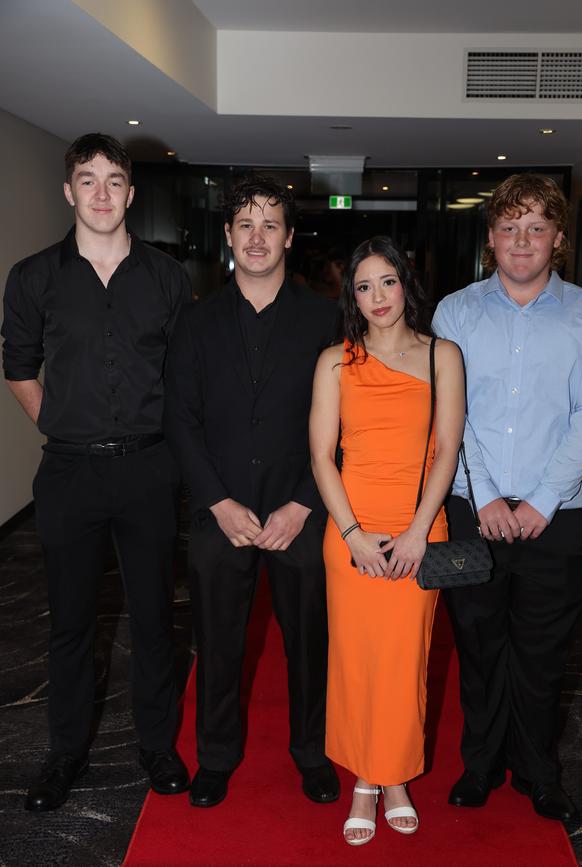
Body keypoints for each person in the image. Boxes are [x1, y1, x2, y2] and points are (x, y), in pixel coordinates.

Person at [2, 133, 192, 811]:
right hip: (70, 473)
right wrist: (59, 421)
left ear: (131, 194)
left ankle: (158, 746)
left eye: (115, 181)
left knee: (151, 618)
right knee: (71, 623)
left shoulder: (169, 278)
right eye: (89, 180)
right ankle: (64, 753)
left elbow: (183, 376)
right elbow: (18, 364)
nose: (103, 194)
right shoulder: (32, 277)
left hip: (147, 469)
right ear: (68, 191)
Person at [433, 174, 582, 821]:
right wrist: (484, 495)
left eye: (536, 227)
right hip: (465, 510)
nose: (522, 240)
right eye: (509, 227)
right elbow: (447, 416)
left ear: (559, 239)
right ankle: (480, 764)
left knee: (543, 652)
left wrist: (542, 499)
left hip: (560, 516)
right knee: (476, 641)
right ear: (490, 237)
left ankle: (539, 770)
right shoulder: (454, 312)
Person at [163, 176, 340, 808]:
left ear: (290, 236)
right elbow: (179, 417)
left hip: (301, 510)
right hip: (222, 511)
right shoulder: (195, 318)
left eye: (270, 224)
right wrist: (217, 500)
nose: (257, 236)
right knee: (217, 643)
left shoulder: (325, 317)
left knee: (310, 643)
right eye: (246, 224)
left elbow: (340, 421)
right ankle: (216, 756)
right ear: (230, 237)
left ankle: (313, 752)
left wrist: (301, 503)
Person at [310, 237, 465, 845]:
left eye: (388, 282)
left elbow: (447, 451)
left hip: (418, 529)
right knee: (356, 661)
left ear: (408, 283)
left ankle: (394, 778)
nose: (378, 297)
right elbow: (322, 456)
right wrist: (351, 533)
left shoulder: (441, 356)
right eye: (364, 286)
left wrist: (417, 532)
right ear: (352, 295)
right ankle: (365, 781)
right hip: (351, 528)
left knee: (406, 660)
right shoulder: (334, 361)